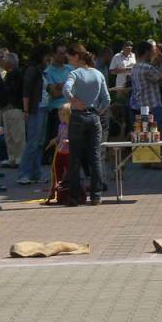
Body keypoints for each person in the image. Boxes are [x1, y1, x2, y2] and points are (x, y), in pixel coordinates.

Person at [62, 45, 111, 206]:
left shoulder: (74, 73)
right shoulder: (98, 74)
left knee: (75, 158)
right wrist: (99, 111)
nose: (69, 62)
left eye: (69, 58)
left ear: (77, 57)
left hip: (77, 116)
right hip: (94, 117)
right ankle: (96, 195)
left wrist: (73, 101)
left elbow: (66, 89)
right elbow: (107, 99)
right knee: (95, 156)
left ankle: (75, 196)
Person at [128, 41, 162, 142]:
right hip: (153, 107)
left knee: (144, 139)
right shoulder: (147, 68)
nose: (154, 54)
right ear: (147, 52)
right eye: (153, 51)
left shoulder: (135, 67)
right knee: (158, 138)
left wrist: (156, 64)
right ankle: (161, 157)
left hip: (139, 107)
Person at [17, 45, 50, 185]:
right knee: (33, 142)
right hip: (35, 109)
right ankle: (23, 173)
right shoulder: (32, 70)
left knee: (40, 143)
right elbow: (26, 91)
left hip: (43, 108)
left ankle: (36, 173)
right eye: (47, 55)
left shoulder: (41, 70)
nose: (49, 57)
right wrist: (26, 110)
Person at [0, 51, 25, 168]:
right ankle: (12, 157)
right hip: (7, 108)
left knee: (17, 135)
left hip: (15, 107)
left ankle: (19, 157)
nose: (1, 61)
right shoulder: (9, 74)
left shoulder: (16, 73)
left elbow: (13, 91)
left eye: (4, 59)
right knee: (9, 135)